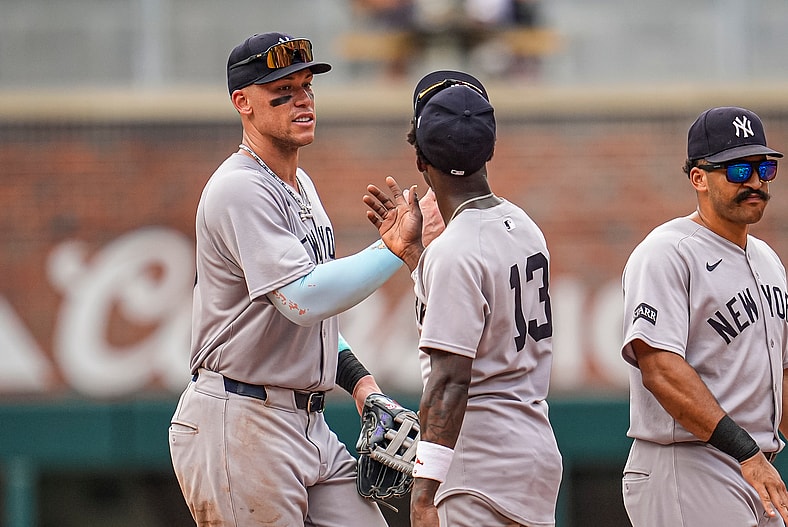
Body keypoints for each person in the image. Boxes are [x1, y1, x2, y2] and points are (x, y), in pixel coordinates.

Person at [168, 32, 422, 527]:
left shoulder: (298, 183)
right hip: (241, 419)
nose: (302, 100)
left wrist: (361, 384)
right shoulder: (239, 187)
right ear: (242, 102)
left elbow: (313, 323)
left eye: (306, 87)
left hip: (309, 423)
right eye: (281, 92)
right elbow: (301, 300)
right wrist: (391, 251)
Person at [364, 70, 563, 527]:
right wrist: (416, 256)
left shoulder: (454, 251)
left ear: (420, 160)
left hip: (480, 467)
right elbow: (475, 310)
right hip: (532, 449)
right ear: (489, 150)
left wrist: (424, 492)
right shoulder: (524, 226)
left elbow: (451, 379)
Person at [621, 106, 788, 526]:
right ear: (698, 177)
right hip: (687, 462)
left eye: (763, 168)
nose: (754, 182)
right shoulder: (667, 252)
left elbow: (781, 375)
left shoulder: (767, 258)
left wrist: (753, 456)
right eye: (737, 171)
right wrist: (746, 451)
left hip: (756, 467)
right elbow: (659, 368)